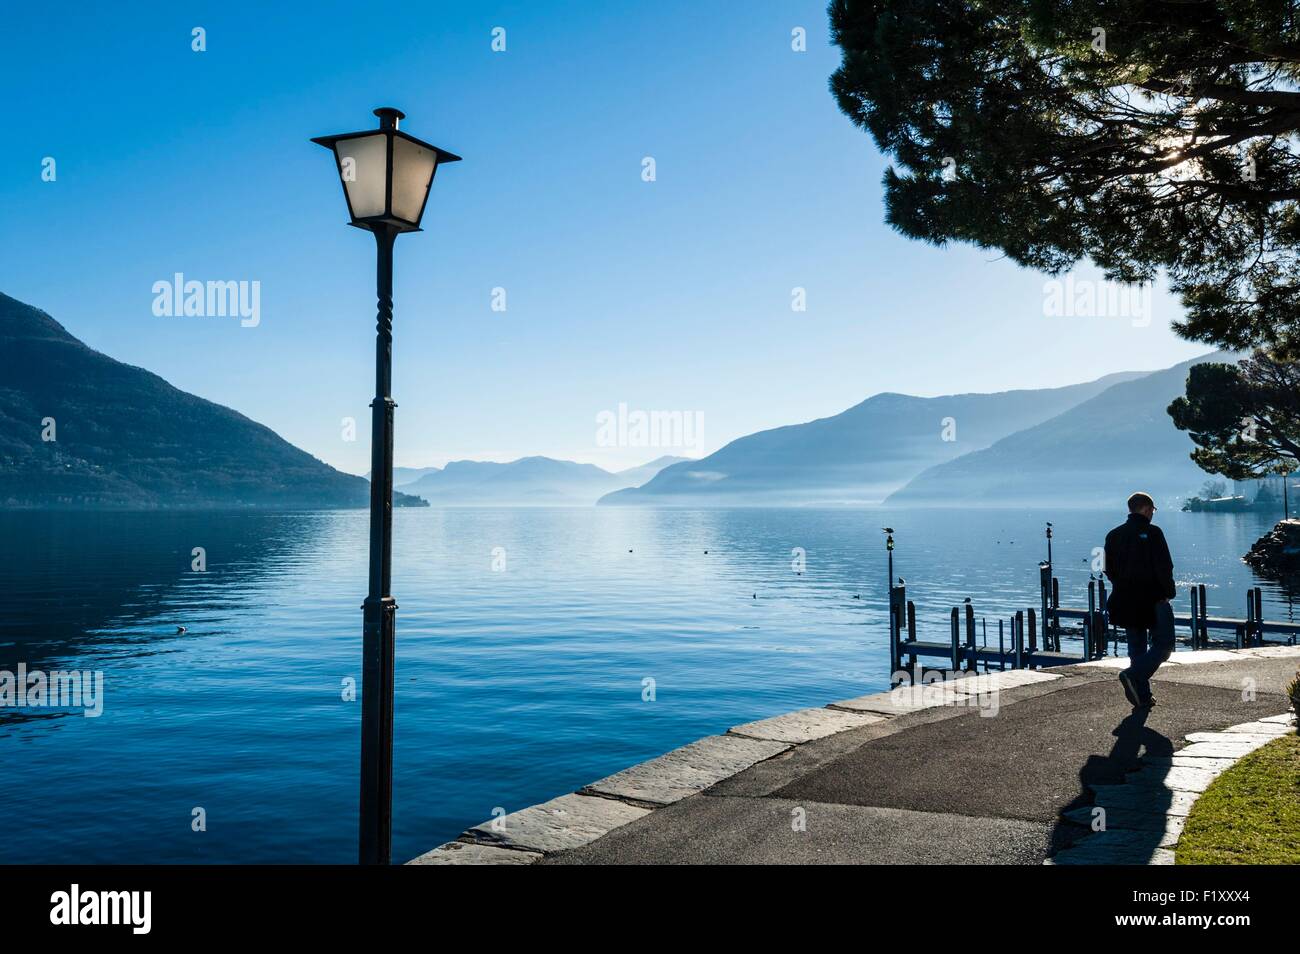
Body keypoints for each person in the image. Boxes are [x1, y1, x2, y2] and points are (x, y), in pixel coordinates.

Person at [1103, 492, 1176, 708]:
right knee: (1165, 645)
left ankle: (1142, 696)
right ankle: (1132, 674)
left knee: (1136, 648)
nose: (1153, 514)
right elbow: (1164, 566)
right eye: (1153, 510)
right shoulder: (1154, 532)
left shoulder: (1113, 535)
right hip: (1153, 599)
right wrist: (1168, 592)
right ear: (1146, 509)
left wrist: (1121, 585)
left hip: (1125, 599)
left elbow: (1107, 568)